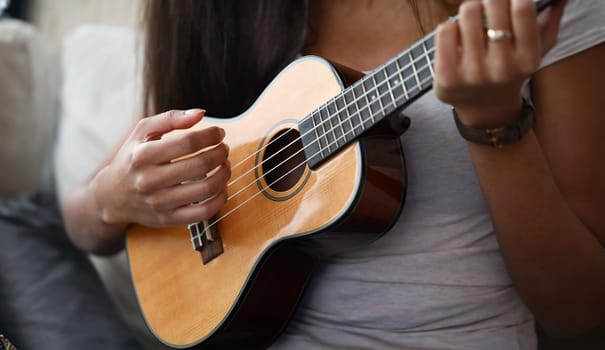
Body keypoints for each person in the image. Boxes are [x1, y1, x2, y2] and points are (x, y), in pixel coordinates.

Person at [60, 0, 605, 349]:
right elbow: (84, 224)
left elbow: (578, 309)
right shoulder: (206, 13)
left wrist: (496, 126)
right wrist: (111, 200)